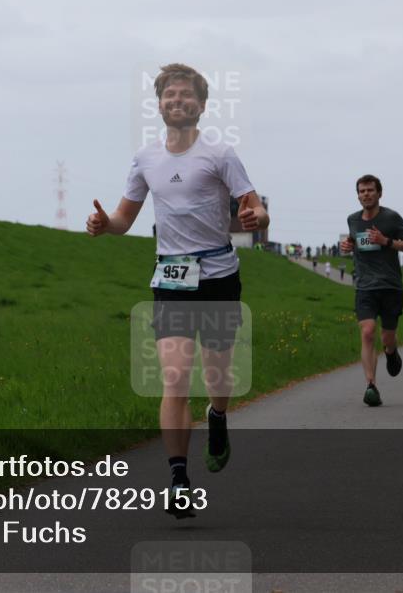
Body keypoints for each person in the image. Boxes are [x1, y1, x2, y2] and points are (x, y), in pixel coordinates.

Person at [87, 63, 268, 519]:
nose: (177, 100)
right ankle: (179, 478)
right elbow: (124, 218)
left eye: (186, 94)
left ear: (202, 105)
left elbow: (255, 207)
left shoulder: (220, 153)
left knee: (218, 377)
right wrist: (104, 224)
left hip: (219, 274)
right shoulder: (146, 158)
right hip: (171, 277)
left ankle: (218, 415)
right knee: (175, 377)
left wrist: (256, 218)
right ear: (159, 104)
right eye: (170, 95)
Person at [339, 174, 403, 407]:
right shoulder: (352, 220)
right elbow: (355, 240)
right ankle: (371, 386)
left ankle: (391, 352)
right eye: (362, 191)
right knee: (367, 331)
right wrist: (348, 245)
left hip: (391, 286)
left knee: (387, 338)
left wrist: (387, 241)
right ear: (358, 195)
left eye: (370, 190)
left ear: (379, 193)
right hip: (365, 286)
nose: (366, 194)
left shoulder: (391, 218)